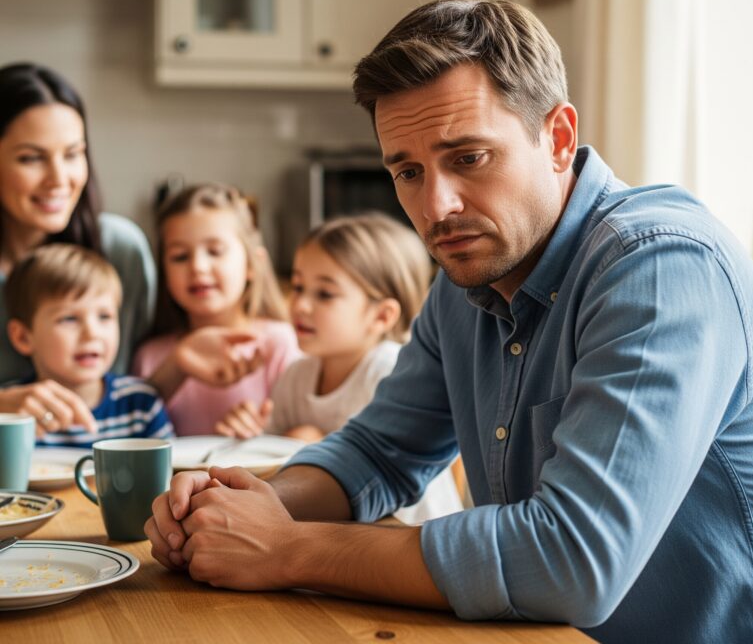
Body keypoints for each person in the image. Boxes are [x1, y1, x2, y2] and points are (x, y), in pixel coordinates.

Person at [144, 0, 753, 643]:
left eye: (468, 158)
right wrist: (246, 506)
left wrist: (288, 550)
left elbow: (572, 561)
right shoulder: (466, 278)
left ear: (557, 139)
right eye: (408, 172)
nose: (436, 207)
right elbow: (380, 452)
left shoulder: (662, 269)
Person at [215, 212, 462, 525]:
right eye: (299, 286)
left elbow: (379, 474)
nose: (300, 304)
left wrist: (309, 443)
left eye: (324, 294)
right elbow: (270, 462)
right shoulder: (297, 375)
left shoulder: (389, 371)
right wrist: (249, 433)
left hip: (405, 532)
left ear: (382, 316)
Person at [0, 62, 156, 427]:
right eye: (31, 158)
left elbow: (137, 385)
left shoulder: (120, 249)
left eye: (72, 154)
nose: (59, 179)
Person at [132, 183, 301, 436]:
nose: (198, 266)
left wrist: (263, 430)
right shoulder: (150, 357)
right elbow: (129, 433)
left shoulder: (279, 342)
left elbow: (307, 429)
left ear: (253, 264)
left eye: (215, 251)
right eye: (180, 256)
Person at [4, 243, 172, 445]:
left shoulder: (141, 403)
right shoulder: (11, 411)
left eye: (104, 316)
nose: (92, 333)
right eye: (69, 319)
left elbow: (169, 471)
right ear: (23, 337)